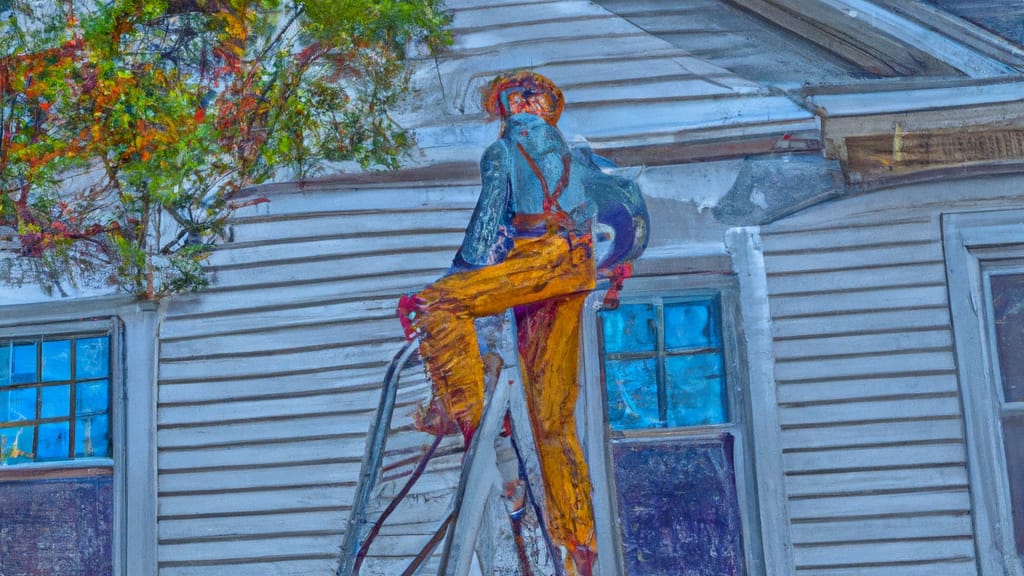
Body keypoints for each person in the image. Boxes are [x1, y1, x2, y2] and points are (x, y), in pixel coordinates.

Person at [398, 71, 648, 576]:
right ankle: (578, 547)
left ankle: (462, 412)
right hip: (574, 268)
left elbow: (485, 225)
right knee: (552, 417)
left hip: (540, 262)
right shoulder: (578, 153)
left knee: (433, 305)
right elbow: (628, 206)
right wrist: (618, 265)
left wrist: (462, 277)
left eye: (527, 95)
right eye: (517, 95)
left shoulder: (502, 152)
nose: (523, 103)